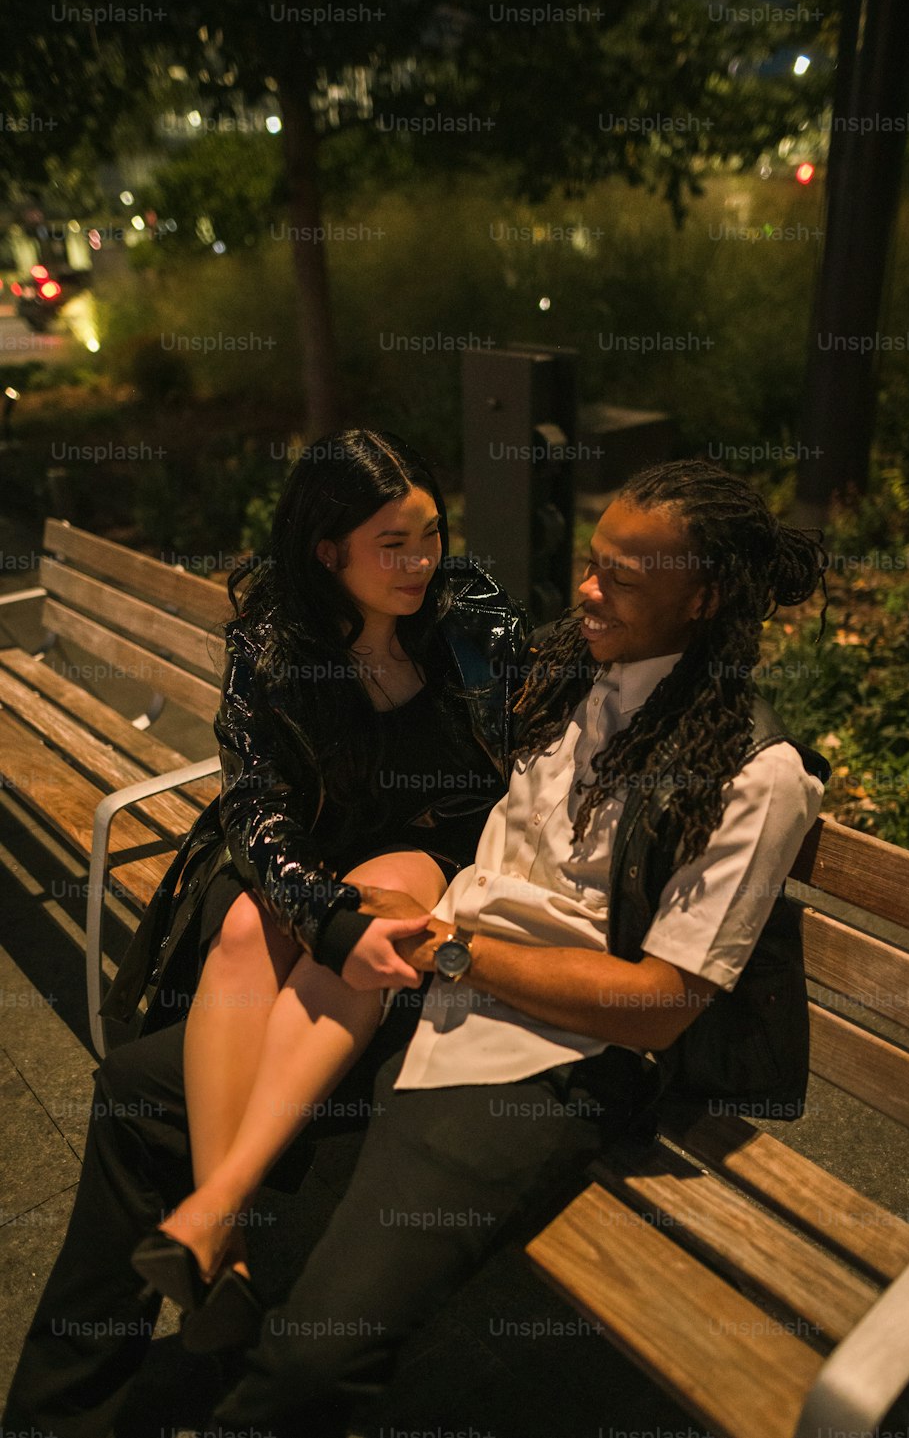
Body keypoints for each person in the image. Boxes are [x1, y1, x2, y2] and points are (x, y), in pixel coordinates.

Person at [3, 459, 829, 1438]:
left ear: (705, 595)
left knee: (315, 1349)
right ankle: (55, 1417)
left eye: (622, 577)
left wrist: (448, 949)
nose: (587, 588)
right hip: (426, 992)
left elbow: (657, 1002)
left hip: (549, 1058)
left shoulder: (754, 773)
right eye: (592, 563)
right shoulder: (571, 670)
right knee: (142, 1093)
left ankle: (252, 1313)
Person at [2, 426, 525, 1429]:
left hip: (423, 866)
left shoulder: (468, 616)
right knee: (243, 928)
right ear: (327, 550)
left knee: (141, 1083)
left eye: (429, 533)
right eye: (392, 542)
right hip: (290, 867)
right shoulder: (274, 642)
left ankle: (210, 1231)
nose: (421, 560)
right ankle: (222, 1246)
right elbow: (256, 808)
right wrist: (318, 915)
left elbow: (557, 700)